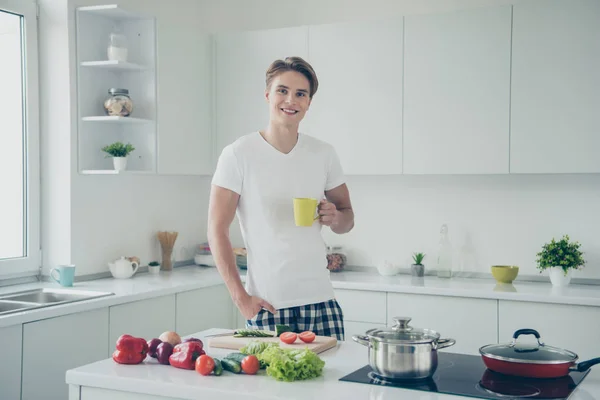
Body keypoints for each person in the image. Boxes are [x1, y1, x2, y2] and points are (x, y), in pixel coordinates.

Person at [207, 56, 355, 340]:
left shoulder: (324, 154)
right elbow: (216, 230)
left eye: (301, 94)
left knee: (332, 384)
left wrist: (336, 217)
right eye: (282, 90)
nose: (291, 100)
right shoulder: (238, 154)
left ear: (309, 102)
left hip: (321, 302)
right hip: (268, 306)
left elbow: (347, 218)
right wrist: (241, 299)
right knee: (270, 385)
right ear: (267, 95)